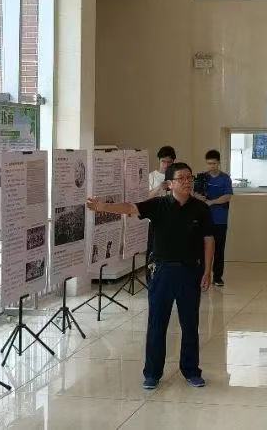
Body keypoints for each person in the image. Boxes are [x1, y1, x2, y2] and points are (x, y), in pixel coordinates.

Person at [86, 162, 214, 390]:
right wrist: (103, 206)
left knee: (190, 324)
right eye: (181, 178)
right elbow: (130, 208)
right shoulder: (158, 205)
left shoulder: (201, 208)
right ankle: (152, 373)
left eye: (189, 177)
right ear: (169, 184)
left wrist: (207, 270)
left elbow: (209, 240)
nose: (187, 182)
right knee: (157, 323)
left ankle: (191, 371)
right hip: (162, 271)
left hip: (189, 271)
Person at [194, 150, 234, 286]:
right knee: (202, 248)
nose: (211, 166)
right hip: (204, 218)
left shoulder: (225, 178)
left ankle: (217, 277)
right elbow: (194, 193)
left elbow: (227, 196)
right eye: (209, 163)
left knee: (219, 249)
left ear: (219, 163)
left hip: (220, 219)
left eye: (214, 163)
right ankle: (202, 275)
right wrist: (198, 197)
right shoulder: (202, 177)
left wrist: (211, 202)